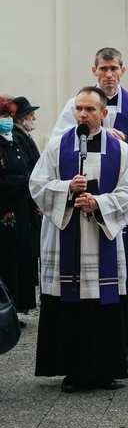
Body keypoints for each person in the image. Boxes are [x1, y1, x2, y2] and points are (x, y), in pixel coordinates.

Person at [51, 47, 128, 369]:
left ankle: (123, 347)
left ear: (123, 70)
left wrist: (125, 140)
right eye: (103, 68)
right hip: (82, 206)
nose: (109, 74)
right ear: (94, 70)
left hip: (119, 207)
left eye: (114, 68)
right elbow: (58, 142)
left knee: (121, 276)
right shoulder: (74, 106)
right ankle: (86, 347)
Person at [30, 87, 128, 393]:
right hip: (65, 235)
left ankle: (106, 371)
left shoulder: (120, 150)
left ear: (103, 114)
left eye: (90, 109)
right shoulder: (57, 145)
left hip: (99, 235)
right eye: (79, 108)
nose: (83, 114)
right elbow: (37, 184)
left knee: (102, 303)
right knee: (71, 304)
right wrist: (66, 188)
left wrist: (99, 203)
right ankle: (73, 372)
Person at [0, 96, 37, 323]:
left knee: (17, 259)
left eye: (9, 116)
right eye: (4, 116)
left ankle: (13, 309)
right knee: (5, 260)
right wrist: (20, 181)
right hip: (4, 209)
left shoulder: (11, 140)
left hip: (19, 209)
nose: (7, 121)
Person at [12, 96, 43, 285]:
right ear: (21, 118)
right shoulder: (18, 136)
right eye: (30, 114)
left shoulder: (24, 135)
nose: (33, 118)